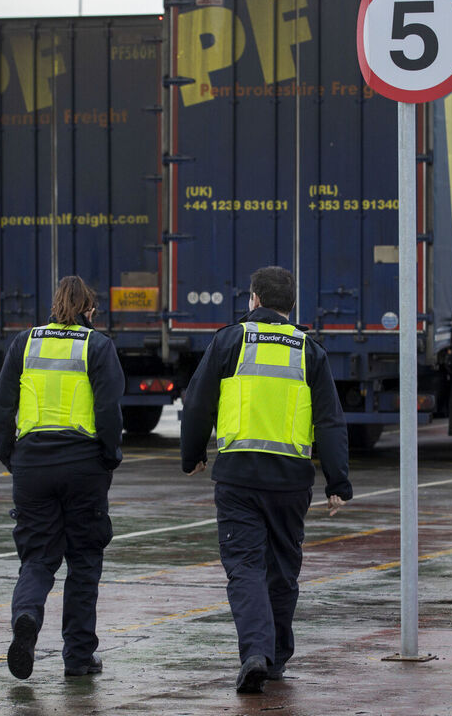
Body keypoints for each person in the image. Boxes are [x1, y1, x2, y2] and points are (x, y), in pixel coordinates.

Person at [181, 265, 352, 695]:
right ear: (291, 306)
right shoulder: (309, 349)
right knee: (282, 570)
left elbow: (198, 402)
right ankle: (274, 657)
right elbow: (330, 421)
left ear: (253, 299)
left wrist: (192, 454)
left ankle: (255, 653)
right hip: (291, 481)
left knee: (245, 568)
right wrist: (337, 482)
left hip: (238, 476)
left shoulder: (229, 339)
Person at [0, 275, 125, 680]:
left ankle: (27, 616)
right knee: (84, 561)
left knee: (37, 557)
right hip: (83, 465)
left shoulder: (24, 343)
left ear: (54, 305)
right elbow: (109, 413)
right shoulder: (97, 346)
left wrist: (10, 455)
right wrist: (109, 456)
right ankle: (79, 657)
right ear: (89, 310)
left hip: (32, 465)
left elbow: (0, 410)